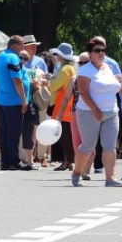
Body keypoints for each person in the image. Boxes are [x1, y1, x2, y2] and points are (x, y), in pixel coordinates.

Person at [71, 37, 122, 187]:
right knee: (88, 146)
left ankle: (110, 178)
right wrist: (95, 108)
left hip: (111, 111)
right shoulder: (85, 70)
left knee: (109, 146)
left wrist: (118, 83)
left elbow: (112, 86)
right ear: (90, 53)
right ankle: (77, 173)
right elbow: (82, 91)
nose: (101, 53)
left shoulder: (107, 67)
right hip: (89, 112)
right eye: (97, 50)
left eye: (103, 50)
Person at [0, 36, 31, 171]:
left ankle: (5, 161)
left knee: (4, 132)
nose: (23, 48)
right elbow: (17, 80)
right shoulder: (13, 58)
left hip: (2, 99)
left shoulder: (0, 57)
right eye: (22, 45)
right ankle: (14, 162)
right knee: (13, 133)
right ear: (16, 45)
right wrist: (23, 99)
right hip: (13, 100)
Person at [49, 44, 78, 172]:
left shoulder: (65, 69)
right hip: (67, 103)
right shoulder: (70, 68)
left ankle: (67, 161)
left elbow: (55, 85)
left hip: (63, 103)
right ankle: (68, 160)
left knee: (63, 135)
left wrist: (48, 81)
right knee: (66, 134)